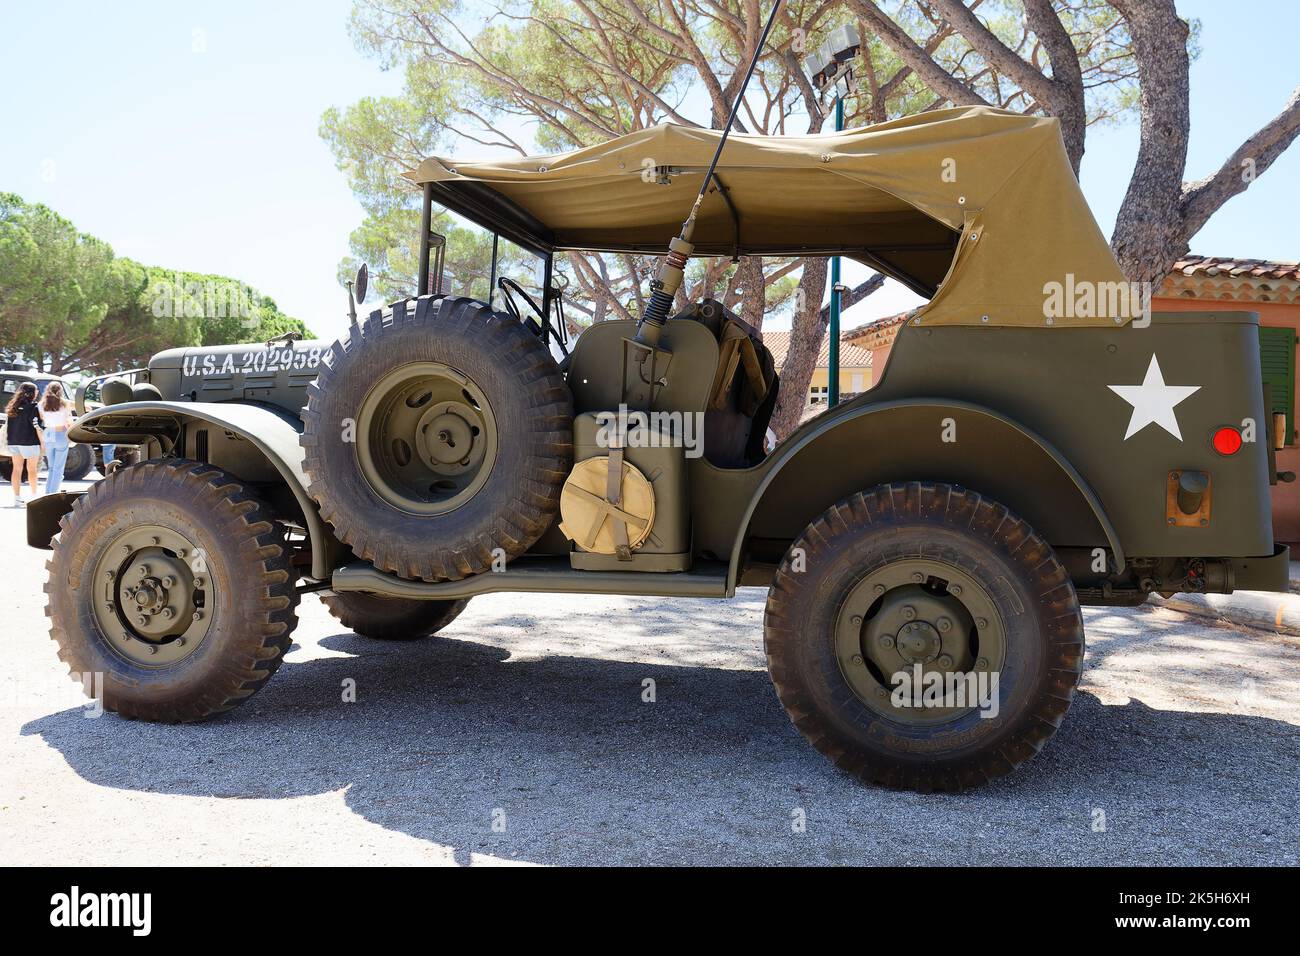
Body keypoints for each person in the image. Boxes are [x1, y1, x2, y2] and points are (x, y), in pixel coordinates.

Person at [5, 382, 45, 507]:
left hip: (14, 442)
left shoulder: (13, 406)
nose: (38, 392)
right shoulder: (33, 407)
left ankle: (17, 498)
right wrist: (43, 443)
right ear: (32, 393)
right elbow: (37, 426)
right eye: (36, 391)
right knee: (32, 470)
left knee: (17, 469)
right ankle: (34, 497)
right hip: (29, 442)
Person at [41, 381, 74, 495]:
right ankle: (52, 494)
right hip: (60, 433)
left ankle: (48, 493)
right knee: (58, 469)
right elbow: (68, 420)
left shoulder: (42, 404)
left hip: (48, 433)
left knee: (51, 468)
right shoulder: (64, 403)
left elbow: (42, 419)